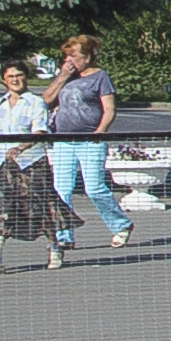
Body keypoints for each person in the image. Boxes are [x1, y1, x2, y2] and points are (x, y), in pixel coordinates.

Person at [45, 33, 136, 259]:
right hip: (63, 140)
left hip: (89, 139)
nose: (70, 61)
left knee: (94, 188)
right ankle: (64, 235)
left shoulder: (99, 77)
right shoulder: (65, 77)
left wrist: (100, 132)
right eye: (67, 56)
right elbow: (45, 101)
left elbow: (109, 109)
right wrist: (62, 77)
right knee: (61, 189)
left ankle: (120, 224)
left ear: (87, 57)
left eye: (74, 56)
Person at [0, 61, 54, 271]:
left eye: (19, 75)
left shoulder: (35, 102)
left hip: (30, 164)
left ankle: (54, 248)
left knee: (39, 208)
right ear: (4, 80)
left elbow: (40, 132)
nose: (15, 80)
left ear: (26, 77)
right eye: (10, 77)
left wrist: (20, 148)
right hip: (2, 165)